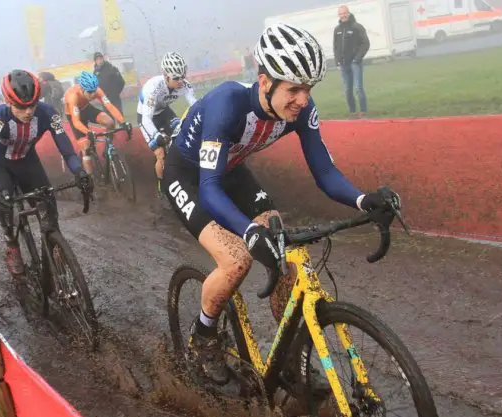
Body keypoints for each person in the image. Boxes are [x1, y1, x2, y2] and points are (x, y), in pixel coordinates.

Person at [162, 23, 397, 384]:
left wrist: (364, 200)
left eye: (308, 89)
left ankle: (289, 357)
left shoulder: (300, 109)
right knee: (237, 259)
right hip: (190, 176)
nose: (302, 100)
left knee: (282, 245)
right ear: (264, 82)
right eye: (294, 89)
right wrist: (248, 231)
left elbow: (325, 171)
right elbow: (209, 189)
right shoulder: (227, 106)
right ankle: (204, 334)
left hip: (231, 168)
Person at [0, 69, 91, 277]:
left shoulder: (48, 112)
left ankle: (54, 246)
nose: (29, 111)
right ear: (8, 102)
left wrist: (79, 170)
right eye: (21, 106)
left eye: (32, 104)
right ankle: (11, 243)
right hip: (1, 166)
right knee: (4, 206)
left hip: (28, 163)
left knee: (48, 209)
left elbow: (66, 149)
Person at [137, 52, 197, 193]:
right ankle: (161, 188)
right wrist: (156, 135)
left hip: (164, 112)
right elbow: (146, 118)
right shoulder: (153, 88)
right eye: (176, 78)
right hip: (147, 117)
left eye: (183, 77)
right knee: (160, 153)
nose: (180, 81)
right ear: (166, 76)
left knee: (181, 133)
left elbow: (195, 105)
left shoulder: (184, 85)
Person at [63, 71, 129, 177]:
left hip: (86, 108)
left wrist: (123, 121)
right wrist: (88, 132)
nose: (93, 94)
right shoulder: (73, 96)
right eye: (89, 92)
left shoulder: (97, 90)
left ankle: (107, 148)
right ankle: (91, 180)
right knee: (86, 146)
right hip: (73, 115)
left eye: (94, 91)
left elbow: (110, 106)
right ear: (82, 89)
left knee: (110, 122)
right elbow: (76, 122)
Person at [334, 5, 370, 118]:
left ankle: (363, 111)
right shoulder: (337, 29)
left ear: (348, 13)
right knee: (347, 90)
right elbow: (335, 47)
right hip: (344, 64)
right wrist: (337, 60)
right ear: (338, 15)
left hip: (355, 63)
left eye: (344, 13)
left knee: (358, 88)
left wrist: (357, 58)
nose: (343, 15)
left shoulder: (357, 27)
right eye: (340, 14)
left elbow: (365, 43)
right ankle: (353, 112)